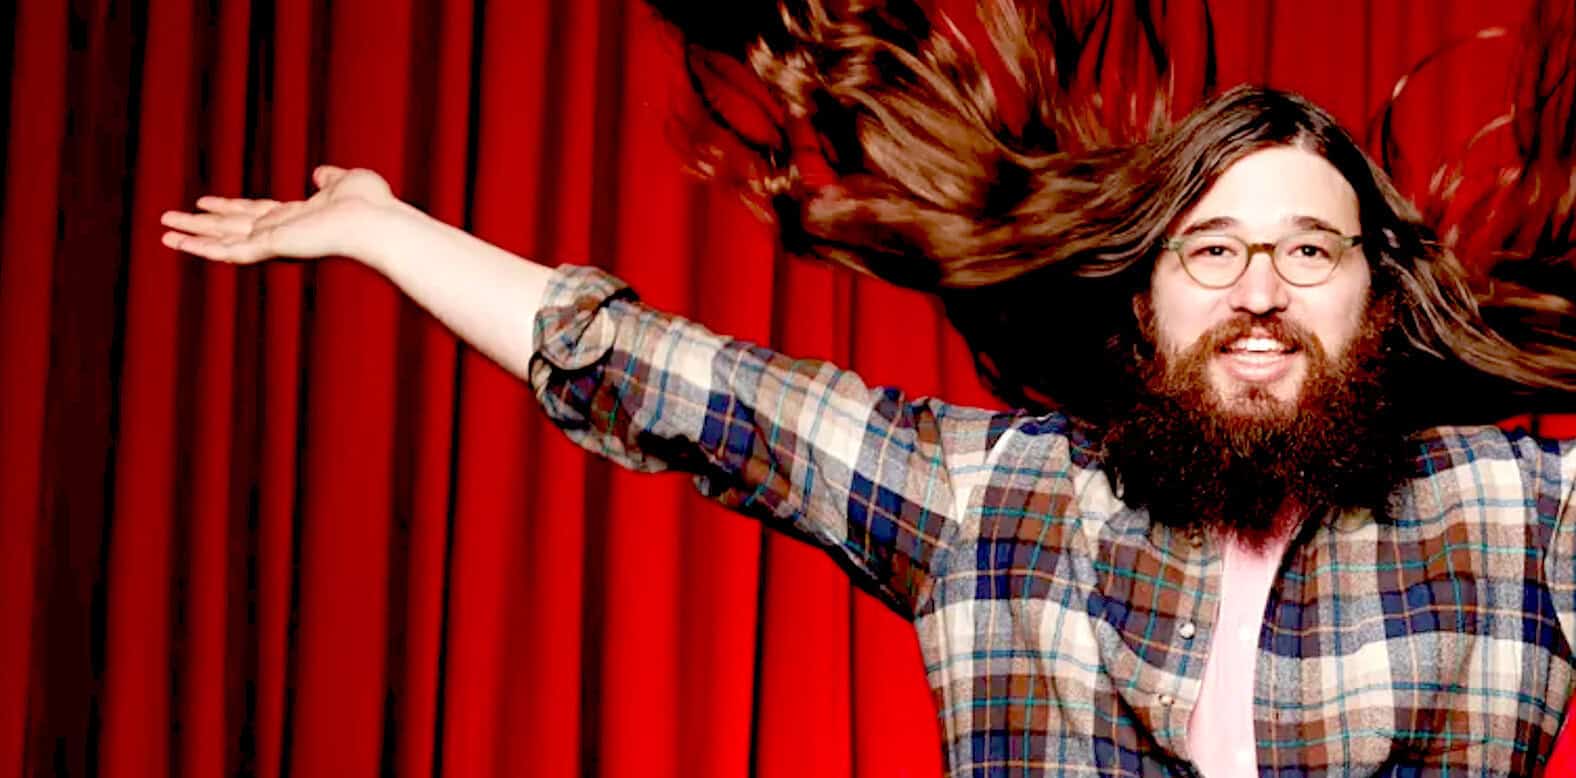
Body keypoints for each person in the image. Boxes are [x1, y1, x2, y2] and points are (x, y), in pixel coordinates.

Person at [159, 3, 1576, 775]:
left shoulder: (1518, 510)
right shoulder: (999, 495)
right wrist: (385, 225)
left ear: (1372, 294)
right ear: (1142, 298)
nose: (1259, 289)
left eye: (1307, 249)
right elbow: (672, 380)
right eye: (1212, 248)